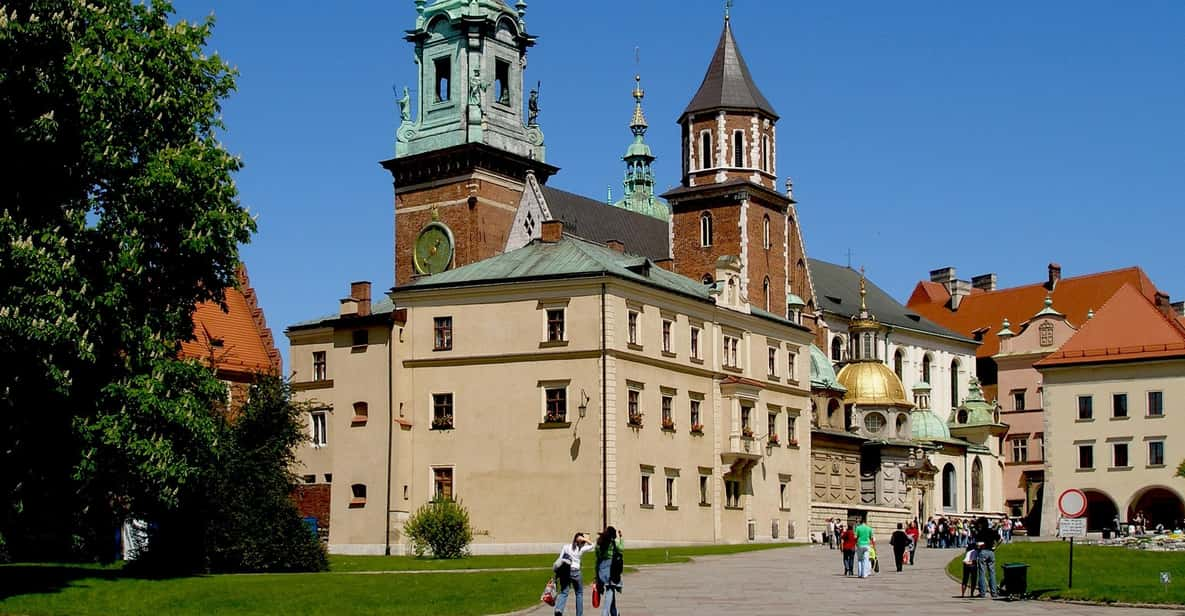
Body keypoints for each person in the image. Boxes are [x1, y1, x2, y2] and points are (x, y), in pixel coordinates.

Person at [554, 532, 595, 616]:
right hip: (576, 571)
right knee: (579, 593)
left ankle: (559, 609)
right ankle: (579, 614)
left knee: (564, 592)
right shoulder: (581, 549)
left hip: (565, 571)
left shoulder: (566, 547)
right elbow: (593, 545)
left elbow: (560, 559)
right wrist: (586, 539)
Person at [595, 527, 624, 616]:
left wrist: (596, 573)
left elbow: (597, 557)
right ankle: (605, 613)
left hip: (601, 568)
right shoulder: (613, 543)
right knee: (610, 590)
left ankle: (614, 612)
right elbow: (621, 548)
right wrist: (621, 537)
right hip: (611, 568)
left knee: (611, 590)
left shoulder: (599, 543)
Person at [975, 517, 998, 598]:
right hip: (991, 552)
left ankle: (982, 592)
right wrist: (995, 547)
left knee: (982, 572)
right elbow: (1000, 539)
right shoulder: (992, 531)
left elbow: (977, 544)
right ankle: (994, 592)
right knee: (992, 572)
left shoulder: (980, 532)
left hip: (983, 551)